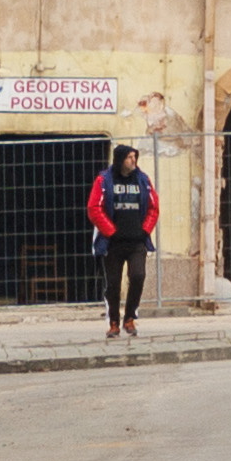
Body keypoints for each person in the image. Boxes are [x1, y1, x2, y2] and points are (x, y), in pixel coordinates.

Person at [83, 137, 159, 335]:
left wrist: (145, 231)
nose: (134, 161)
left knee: (138, 276)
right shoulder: (104, 180)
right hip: (112, 244)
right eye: (129, 157)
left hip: (137, 242)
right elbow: (94, 208)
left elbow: (153, 207)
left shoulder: (143, 180)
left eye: (135, 157)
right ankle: (114, 322)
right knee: (113, 284)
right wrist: (111, 231)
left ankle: (130, 317)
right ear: (120, 160)